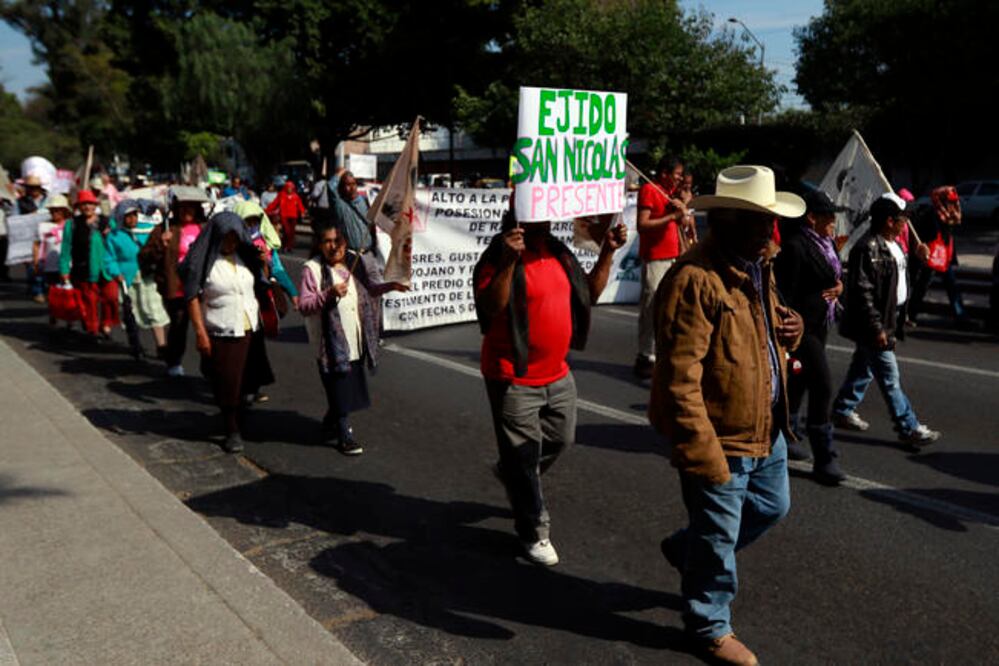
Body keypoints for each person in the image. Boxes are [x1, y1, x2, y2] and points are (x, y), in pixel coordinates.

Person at [650, 165, 804, 666]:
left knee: (772, 506)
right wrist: (703, 454)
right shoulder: (695, 279)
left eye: (769, 220)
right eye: (758, 220)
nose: (768, 230)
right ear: (727, 220)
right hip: (720, 437)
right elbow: (679, 379)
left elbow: (764, 332)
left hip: (764, 425)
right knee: (717, 538)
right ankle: (708, 625)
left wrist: (793, 329)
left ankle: (687, 549)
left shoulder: (758, 263)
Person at [473, 209, 627, 567]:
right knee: (525, 458)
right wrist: (509, 261)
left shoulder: (558, 251)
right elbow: (490, 308)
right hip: (513, 377)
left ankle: (513, 472)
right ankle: (533, 531)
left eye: (546, 217)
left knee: (561, 439)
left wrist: (607, 252)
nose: (546, 222)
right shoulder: (496, 256)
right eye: (537, 217)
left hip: (557, 374)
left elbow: (588, 294)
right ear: (518, 220)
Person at [831, 193, 940, 446]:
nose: (906, 222)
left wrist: (919, 257)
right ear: (890, 221)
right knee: (890, 377)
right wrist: (876, 327)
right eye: (903, 218)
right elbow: (862, 292)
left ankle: (842, 409)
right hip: (875, 323)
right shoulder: (866, 249)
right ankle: (909, 427)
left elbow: (901, 279)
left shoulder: (895, 245)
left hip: (890, 318)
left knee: (864, 367)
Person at [298, 222, 408, 455]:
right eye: (327, 241)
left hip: (355, 339)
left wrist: (391, 285)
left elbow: (370, 289)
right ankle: (344, 435)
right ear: (320, 245)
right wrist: (328, 294)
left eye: (337, 241)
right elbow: (305, 305)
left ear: (345, 242)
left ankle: (332, 417)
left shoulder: (354, 262)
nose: (333, 246)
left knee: (345, 386)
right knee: (339, 385)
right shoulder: (313, 269)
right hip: (329, 345)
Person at [775, 190, 848, 484]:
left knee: (799, 379)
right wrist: (790, 325)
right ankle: (824, 456)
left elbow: (835, 276)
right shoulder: (795, 246)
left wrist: (840, 287)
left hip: (820, 324)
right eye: (829, 217)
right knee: (823, 385)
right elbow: (784, 293)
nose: (833, 222)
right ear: (812, 218)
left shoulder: (826, 243)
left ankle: (785, 434)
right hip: (802, 328)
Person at [183, 212, 267, 453]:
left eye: (235, 238)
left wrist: (263, 263)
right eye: (225, 238)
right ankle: (231, 429)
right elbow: (192, 297)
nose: (230, 243)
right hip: (222, 330)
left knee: (246, 381)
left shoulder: (244, 257)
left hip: (250, 327)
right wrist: (200, 332)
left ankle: (239, 419)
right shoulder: (203, 261)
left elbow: (259, 283)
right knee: (227, 382)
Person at [234, 199, 299, 404]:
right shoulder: (231, 243)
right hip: (237, 302)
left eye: (255, 221)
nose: (252, 226)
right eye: (247, 221)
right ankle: (238, 387)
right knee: (240, 346)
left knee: (256, 345)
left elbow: (277, 270)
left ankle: (251, 388)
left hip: (259, 302)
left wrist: (293, 293)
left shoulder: (266, 244)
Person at [139, 187, 208, 376]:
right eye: (182, 207)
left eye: (190, 207)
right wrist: (161, 244)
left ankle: (210, 366)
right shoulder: (165, 229)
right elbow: (144, 257)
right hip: (177, 288)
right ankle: (174, 362)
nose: (186, 211)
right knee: (178, 327)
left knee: (207, 327)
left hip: (203, 287)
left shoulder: (205, 228)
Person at [634, 156, 688, 379]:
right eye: (677, 174)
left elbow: (683, 222)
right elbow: (642, 224)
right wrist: (671, 216)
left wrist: (682, 207)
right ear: (665, 173)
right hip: (656, 258)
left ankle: (662, 352)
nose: (680, 178)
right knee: (651, 307)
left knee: (671, 308)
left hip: (673, 257)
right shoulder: (649, 190)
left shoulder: (671, 194)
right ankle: (646, 354)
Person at [59, 190, 118, 338]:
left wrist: (111, 233)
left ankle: (106, 323)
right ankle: (93, 329)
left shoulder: (107, 222)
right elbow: (65, 249)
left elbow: (118, 241)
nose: (87, 207)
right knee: (89, 301)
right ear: (79, 207)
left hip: (107, 268)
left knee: (111, 297)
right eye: (84, 204)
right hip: (83, 269)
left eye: (90, 203)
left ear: (95, 205)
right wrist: (64, 270)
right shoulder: (72, 224)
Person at [907, 185, 969, 327]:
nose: (953, 204)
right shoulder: (931, 213)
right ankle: (911, 314)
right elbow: (926, 234)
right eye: (949, 201)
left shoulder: (950, 215)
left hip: (944, 257)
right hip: (931, 256)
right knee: (922, 286)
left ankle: (961, 316)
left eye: (954, 201)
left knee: (951, 286)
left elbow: (949, 234)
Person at [34, 195, 72, 315]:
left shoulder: (71, 225)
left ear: (65, 211)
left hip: (68, 265)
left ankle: (68, 314)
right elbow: (37, 245)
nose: (55, 213)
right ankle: (53, 313)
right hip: (50, 264)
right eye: (53, 210)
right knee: (52, 291)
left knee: (68, 291)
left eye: (58, 210)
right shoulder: (43, 226)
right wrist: (36, 262)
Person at [19, 174, 49, 301]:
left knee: (45, 261)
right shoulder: (21, 202)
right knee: (32, 263)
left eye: (35, 187)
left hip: (46, 234)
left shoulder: (48, 200)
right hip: (29, 236)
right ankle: (37, 290)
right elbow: (15, 219)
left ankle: (40, 287)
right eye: (30, 187)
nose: (33, 190)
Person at [331, 170, 375, 254]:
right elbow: (331, 186)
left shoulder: (366, 201)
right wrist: (341, 172)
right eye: (348, 184)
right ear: (342, 187)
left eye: (353, 184)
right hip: (351, 254)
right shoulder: (340, 205)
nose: (352, 188)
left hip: (369, 253)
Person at [265, 180, 307, 253]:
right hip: (284, 215)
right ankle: (285, 245)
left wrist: (302, 212)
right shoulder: (281, 195)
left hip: (293, 216)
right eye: (288, 188)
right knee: (287, 231)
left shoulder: (295, 196)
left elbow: (300, 205)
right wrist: (267, 210)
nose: (289, 189)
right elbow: (274, 203)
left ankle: (289, 246)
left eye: (291, 188)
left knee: (292, 232)